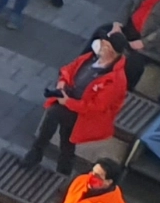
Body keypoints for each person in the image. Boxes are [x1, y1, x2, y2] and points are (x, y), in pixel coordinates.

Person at [24, 35, 128, 177]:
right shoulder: (91, 58)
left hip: (85, 116)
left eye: (104, 44)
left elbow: (95, 107)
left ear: (111, 51)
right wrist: (62, 83)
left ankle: (36, 152)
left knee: (54, 114)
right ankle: (63, 170)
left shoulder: (115, 80)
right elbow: (69, 69)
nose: (100, 45)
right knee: (67, 138)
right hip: (72, 103)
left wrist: (68, 102)